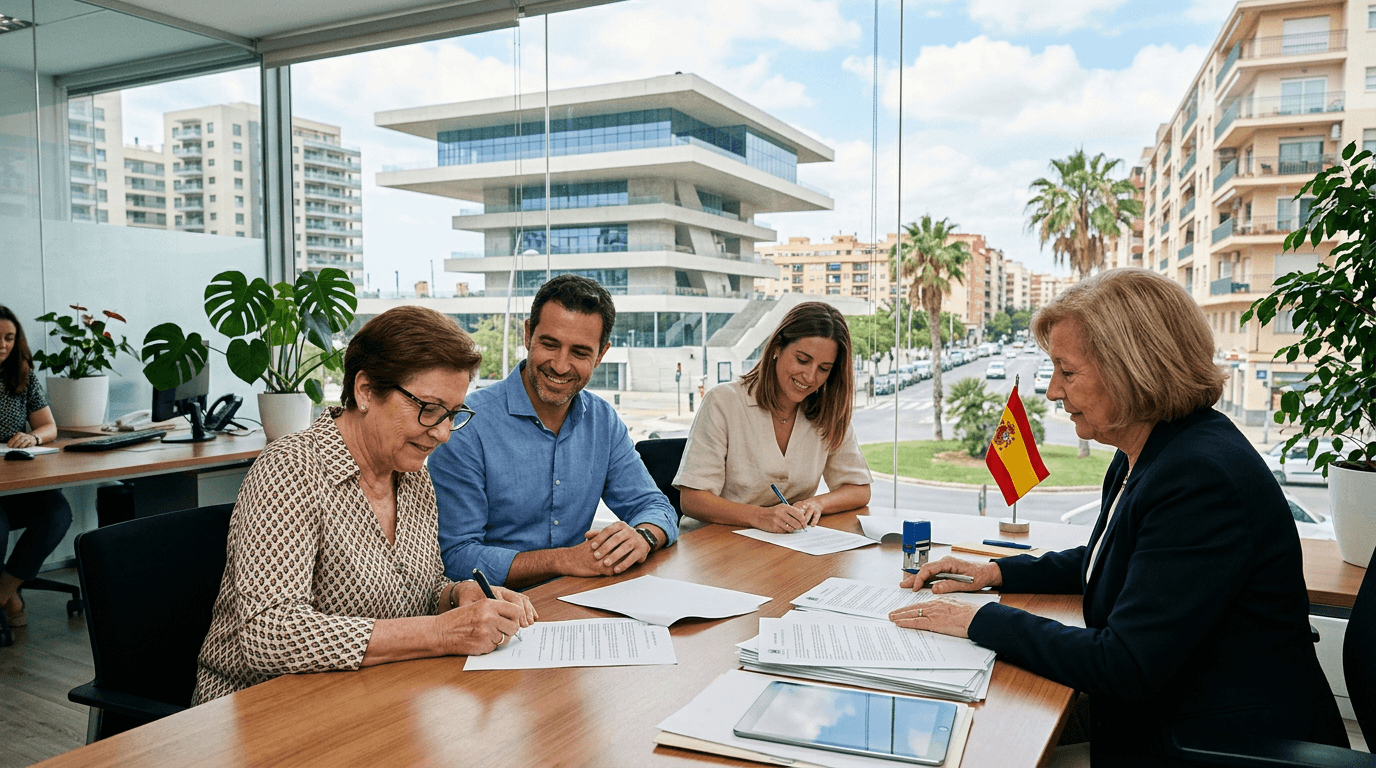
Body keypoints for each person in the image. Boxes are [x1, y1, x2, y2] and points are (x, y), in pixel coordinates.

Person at [888, 269, 1346, 765]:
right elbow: (1117, 557)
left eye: (1067, 371)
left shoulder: (1198, 477)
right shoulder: (1150, 450)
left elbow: (1124, 664)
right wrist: (996, 572)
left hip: (1211, 741)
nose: (1052, 392)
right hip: (1167, 707)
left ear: (1131, 368)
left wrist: (981, 619)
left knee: (974, 744)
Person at [192, 306, 536, 703]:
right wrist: (441, 632)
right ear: (366, 391)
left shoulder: (413, 475)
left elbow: (414, 593)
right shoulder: (290, 469)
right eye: (428, 409)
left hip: (370, 696)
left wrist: (456, 596)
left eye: (453, 415)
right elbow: (271, 633)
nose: (443, 433)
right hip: (260, 711)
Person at [430, 275, 678, 590]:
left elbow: (655, 506)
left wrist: (641, 537)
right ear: (528, 334)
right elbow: (456, 556)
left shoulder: (603, 420)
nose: (560, 366)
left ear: (601, 355)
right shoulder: (466, 425)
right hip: (493, 611)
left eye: (579, 352)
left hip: (578, 599)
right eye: (549, 344)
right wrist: (563, 560)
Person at [673, 301, 871, 532]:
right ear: (777, 347)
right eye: (803, 360)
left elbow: (859, 489)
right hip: (713, 544)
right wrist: (759, 516)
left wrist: (816, 503)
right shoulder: (723, 401)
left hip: (781, 546)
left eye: (824, 369)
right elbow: (693, 500)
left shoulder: (828, 411)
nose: (809, 376)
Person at [0, 305, 70, 631]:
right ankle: (10, 599)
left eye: (9, 338)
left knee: (56, 512)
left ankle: (2, 593)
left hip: (19, 482)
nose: (3, 344)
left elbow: (48, 427)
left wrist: (32, 437)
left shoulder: (22, 372)